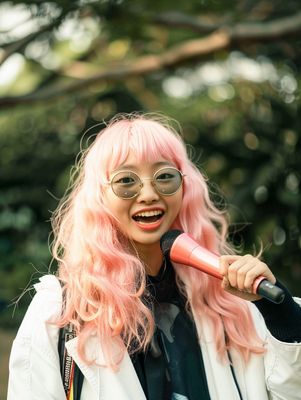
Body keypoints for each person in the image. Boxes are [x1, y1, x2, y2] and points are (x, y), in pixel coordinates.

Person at [8, 113, 301, 400]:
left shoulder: (229, 304)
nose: (148, 194)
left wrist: (282, 315)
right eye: (126, 181)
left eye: (164, 176)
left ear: (184, 188)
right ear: (100, 196)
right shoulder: (61, 312)